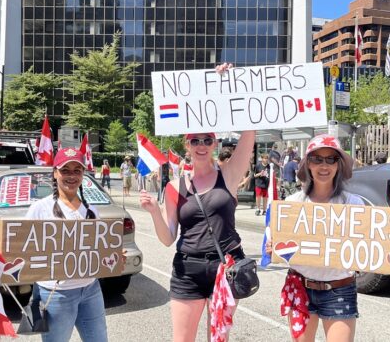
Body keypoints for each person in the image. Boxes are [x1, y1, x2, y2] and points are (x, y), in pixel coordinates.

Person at [140, 128, 255, 342]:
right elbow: (167, 239)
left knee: (218, 338)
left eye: (207, 140)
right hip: (187, 271)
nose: (201, 145)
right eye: (195, 141)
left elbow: (248, 139)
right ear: (187, 145)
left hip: (225, 269)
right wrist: (155, 211)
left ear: (215, 144)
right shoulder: (174, 187)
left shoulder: (228, 175)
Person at [267, 135, 363, 342]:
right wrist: (273, 247)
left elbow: (370, 247)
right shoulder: (292, 204)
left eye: (331, 159)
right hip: (300, 287)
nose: (324, 165)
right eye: (317, 159)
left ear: (339, 165)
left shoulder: (354, 205)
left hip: (340, 289)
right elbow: (282, 249)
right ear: (308, 164)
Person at [26, 147, 109, 342]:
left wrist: (111, 256)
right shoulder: (40, 209)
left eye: (77, 170)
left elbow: (99, 250)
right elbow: (25, 248)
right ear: (55, 173)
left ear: (83, 174)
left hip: (91, 289)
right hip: (56, 294)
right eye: (65, 170)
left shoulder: (92, 210)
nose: (71, 176)